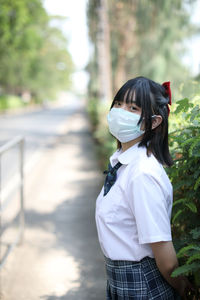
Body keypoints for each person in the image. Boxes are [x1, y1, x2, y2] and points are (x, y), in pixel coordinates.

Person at [95, 76, 192, 299]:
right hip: (120, 281)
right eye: (118, 104)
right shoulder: (123, 163)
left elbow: (165, 256)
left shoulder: (142, 174)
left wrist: (184, 289)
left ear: (154, 121)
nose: (120, 111)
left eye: (133, 108)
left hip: (142, 287)